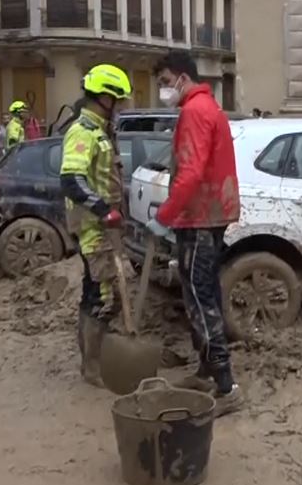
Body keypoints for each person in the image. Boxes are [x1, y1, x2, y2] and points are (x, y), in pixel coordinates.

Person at [148, 51, 244, 417]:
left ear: (183, 78)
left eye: (165, 82)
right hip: (211, 213)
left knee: (200, 298)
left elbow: (190, 172)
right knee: (204, 292)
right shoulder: (208, 108)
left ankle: (225, 386)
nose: (163, 90)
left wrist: (167, 215)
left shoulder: (194, 112)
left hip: (200, 216)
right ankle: (206, 372)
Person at [59, 64, 132, 387]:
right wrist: (104, 211)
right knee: (100, 296)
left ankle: (96, 363)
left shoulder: (102, 130)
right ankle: (92, 369)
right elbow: (72, 179)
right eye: (119, 100)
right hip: (94, 229)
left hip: (105, 229)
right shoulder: (83, 131)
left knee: (98, 293)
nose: (121, 107)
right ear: (104, 98)